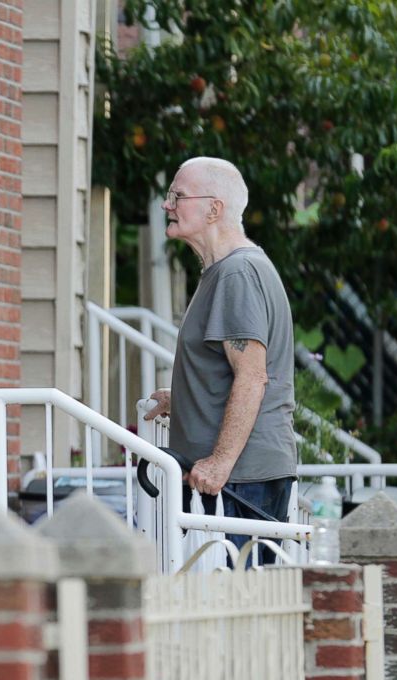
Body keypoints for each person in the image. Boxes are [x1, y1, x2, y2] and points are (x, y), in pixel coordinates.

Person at [143, 156, 296, 564]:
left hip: (241, 478)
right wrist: (184, 398)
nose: (167, 205)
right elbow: (228, 371)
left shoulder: (237, 274)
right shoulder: (225, 272)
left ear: (214, 209)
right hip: (238, 478)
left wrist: (220, 461)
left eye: (178, 195)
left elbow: (252, 376)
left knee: (243, 611)